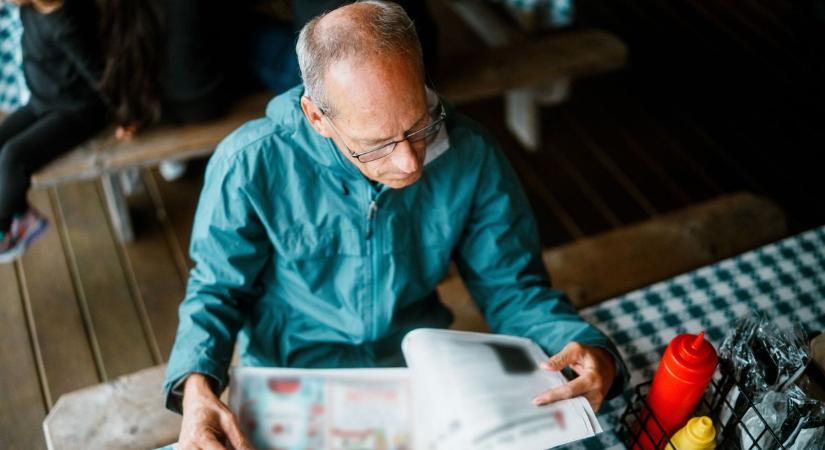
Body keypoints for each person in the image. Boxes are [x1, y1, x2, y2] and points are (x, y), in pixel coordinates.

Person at [163, 2, 628, 449]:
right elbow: (217, 289)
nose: (409, 163)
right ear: (317, 117)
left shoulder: (471, 153)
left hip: (416, 373)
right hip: (290, 378)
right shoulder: (249, 163)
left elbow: (513, 286)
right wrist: (196, 386)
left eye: (419, 125)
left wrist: (587, 347)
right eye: (378, 143)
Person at [0, 0, 106, 263]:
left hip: (77, 112)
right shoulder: (30, 7)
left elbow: (99, 73)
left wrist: (127, 114)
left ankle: (6, 231)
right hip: (42, 101)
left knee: (13, 156)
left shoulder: (65, 25)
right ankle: (20, 211)